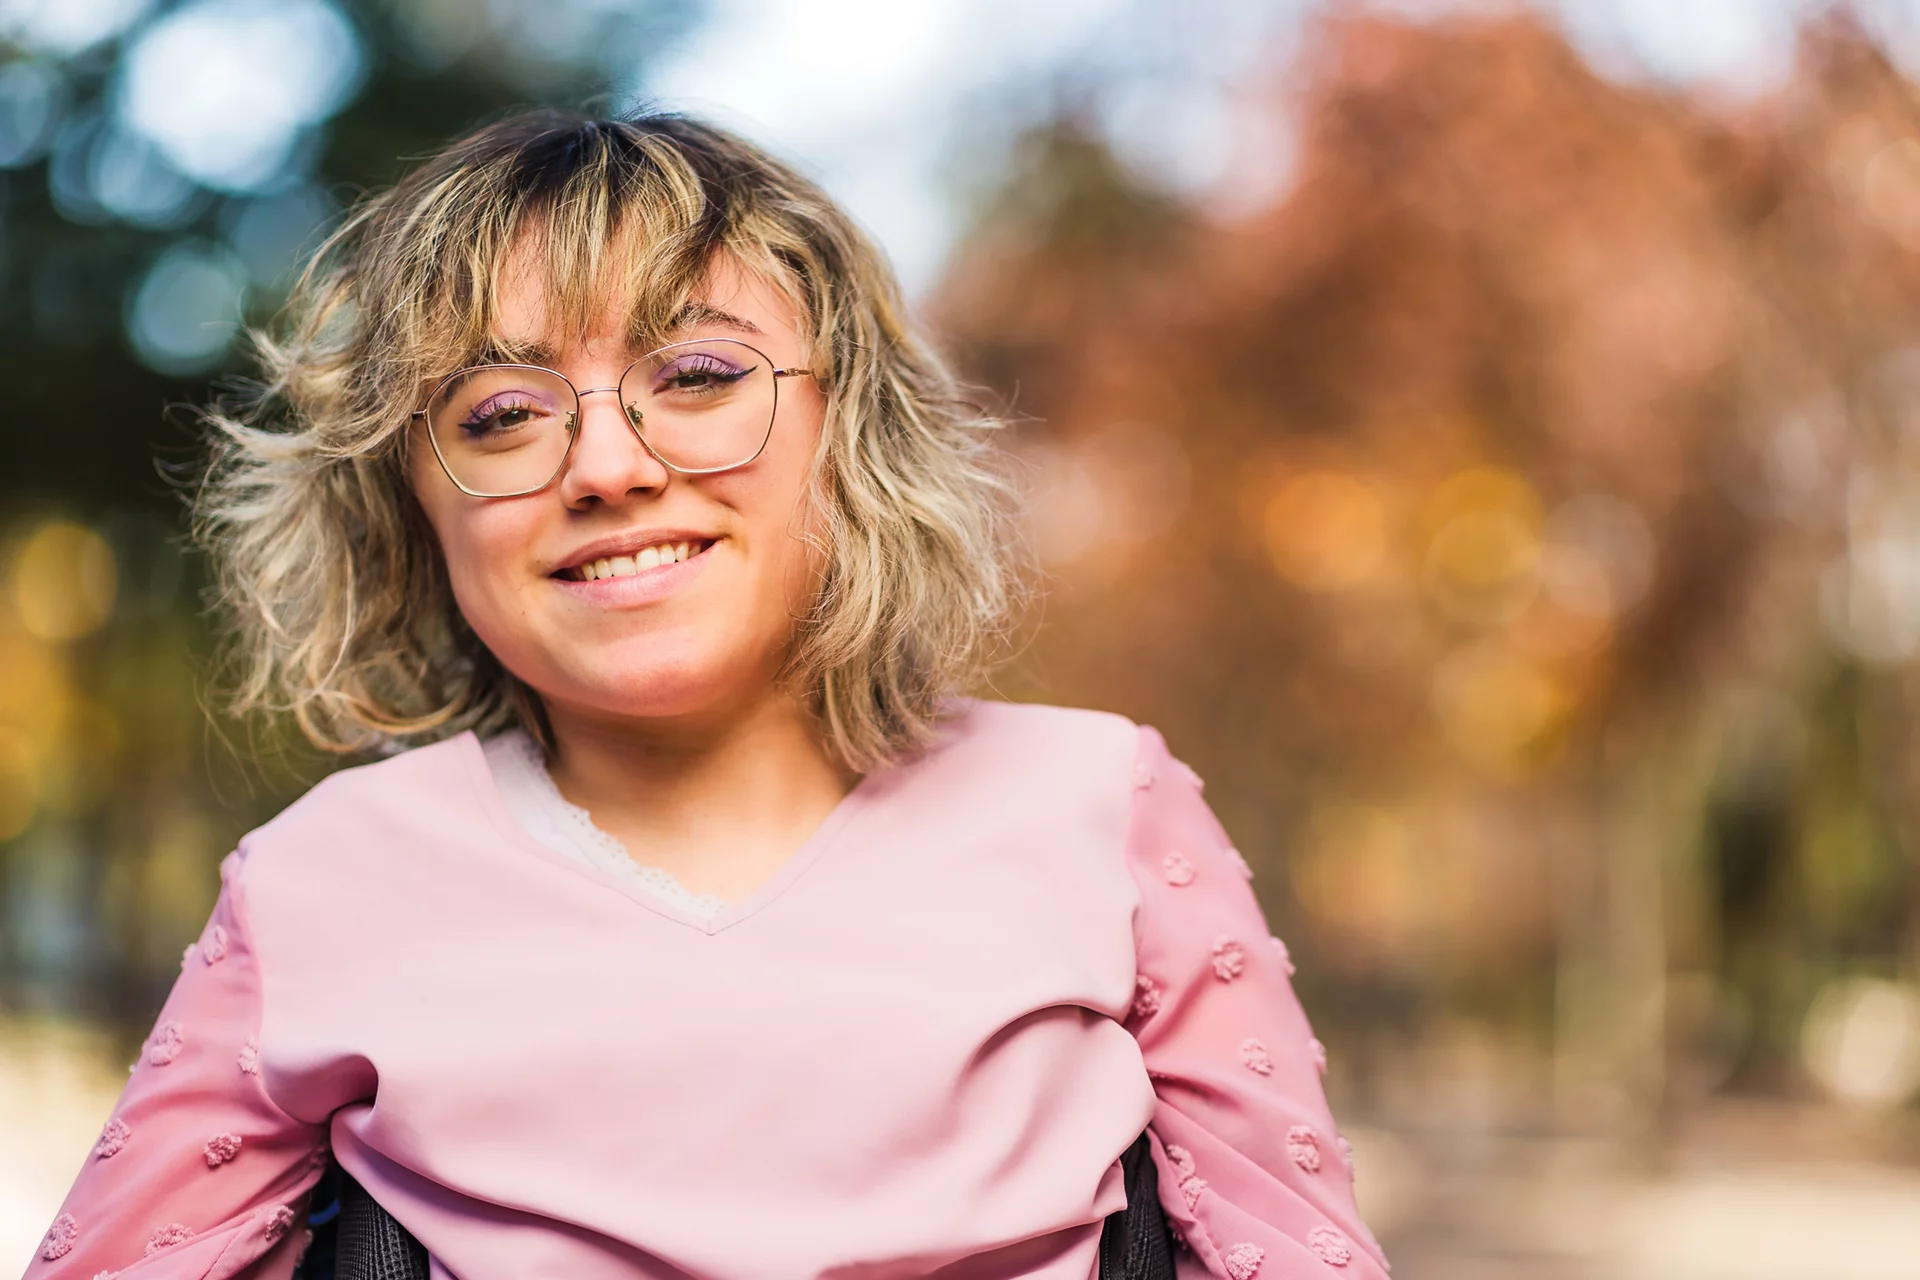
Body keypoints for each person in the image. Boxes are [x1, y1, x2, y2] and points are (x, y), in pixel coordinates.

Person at [27, 111, 1386, 1280]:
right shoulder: (322, 880)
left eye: (699, 377)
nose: (606, 463)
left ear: (850, 435)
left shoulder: (1100, 809)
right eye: (499, 413)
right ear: (410, 510)